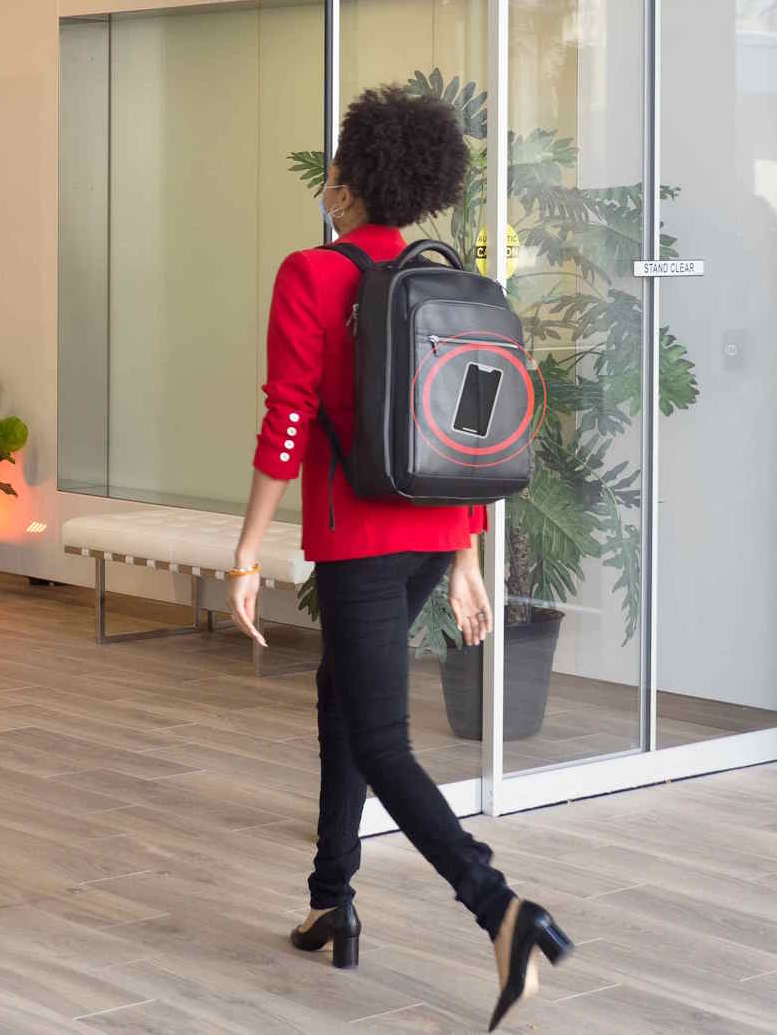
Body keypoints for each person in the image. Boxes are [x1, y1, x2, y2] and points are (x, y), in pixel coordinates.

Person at [227, 85, 572, 1032]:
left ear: (345, 181)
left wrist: (249, 549)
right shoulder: (451, 279)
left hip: (358, 541)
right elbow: (462, 427)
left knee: (379, 738)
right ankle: (331, 898)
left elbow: (287, 416)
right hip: (427, 534)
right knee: (341, 697)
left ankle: (499, 908)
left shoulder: (311, 273)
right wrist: (463, 555)